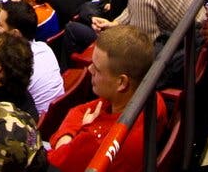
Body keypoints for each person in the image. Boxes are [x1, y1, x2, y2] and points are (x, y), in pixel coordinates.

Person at [45, 25, 165, 172]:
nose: (89, 70)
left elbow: (54, 160)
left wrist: (70, 138)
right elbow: (78, 111)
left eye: (97, 68)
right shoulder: (155, 99)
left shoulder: (95, 139)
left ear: (121, 82)